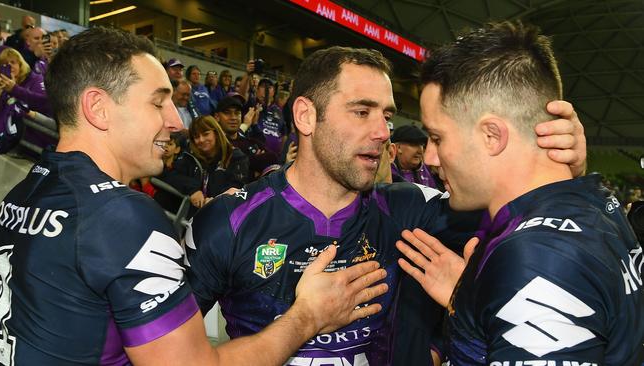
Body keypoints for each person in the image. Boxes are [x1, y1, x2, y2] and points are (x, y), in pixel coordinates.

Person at [0, 26, 390, 365]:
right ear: (98, 107)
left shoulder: (22, 194)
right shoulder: (120, 217)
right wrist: (308, 316)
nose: (173, 121)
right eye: (157, 101)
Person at [184, 45, 588, 366]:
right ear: (306, 117)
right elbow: (166, 358)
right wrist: (302, 320)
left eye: (387, 117)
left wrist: (560, 167)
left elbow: (533, 221)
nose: (382, 133)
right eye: (362, 111)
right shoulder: (228, 222)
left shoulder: (411, 210)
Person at [395, 21, 644, 365]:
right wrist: (467, 302)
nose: (431, 157)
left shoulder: (536, 258)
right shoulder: (594, 198)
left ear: (492, 136)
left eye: (437, 138)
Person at [162, 115, 250, 211]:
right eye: (196, 137)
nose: (201, 140)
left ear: (216, 133)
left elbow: (236, 189)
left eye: (206, 134)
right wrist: (193, 190)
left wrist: (216, 200)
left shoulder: (236, 157)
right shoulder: (190, 156)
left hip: (222, 215)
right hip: (191, 217)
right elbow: (171, 175)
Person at [0, 47, 52, 155]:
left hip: (33, 140)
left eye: (13, 62)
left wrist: (15, 89)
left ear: (21, 64)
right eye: (5, 64)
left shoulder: (35, 79)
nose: (10, 66)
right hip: (8, 140)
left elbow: (44, 103)